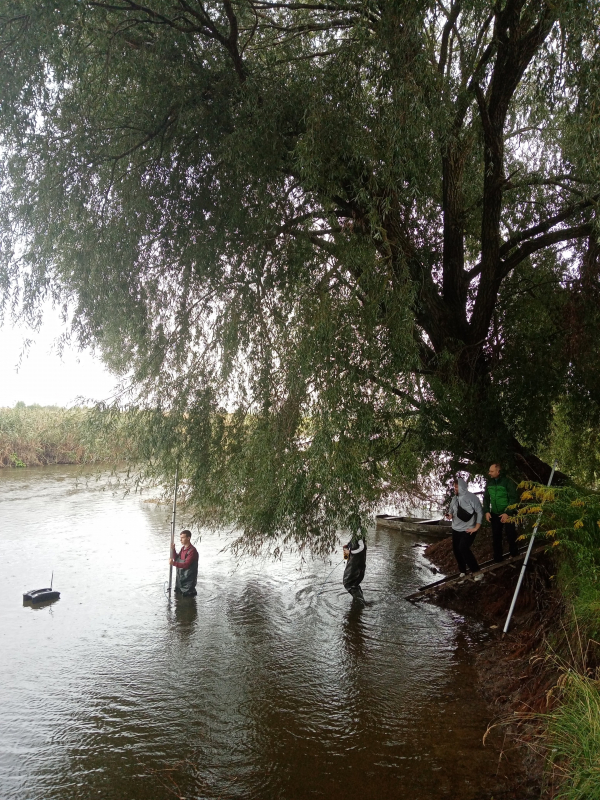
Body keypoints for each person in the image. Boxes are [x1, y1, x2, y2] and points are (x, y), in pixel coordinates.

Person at [448, 477, 483, 580]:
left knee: (463, 548)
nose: (454, 489)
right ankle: (463, 571)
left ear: (462, 487)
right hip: (456, 529)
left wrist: (476, 527)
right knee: (456, 551)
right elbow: (451, 510)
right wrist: (450, 515)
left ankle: (477, 572)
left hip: (468, 529)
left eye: (456, 487)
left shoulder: (472, 498)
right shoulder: (454, 499)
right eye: (454, 487)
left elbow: (480, 512)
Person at [483, 463, 519, 562]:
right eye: (489, 471)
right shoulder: (489, 483)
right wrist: (487, 511)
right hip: (495, 513)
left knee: (510, 534)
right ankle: (498, 558)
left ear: (498, 472)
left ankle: (514, 554)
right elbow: (486, 498)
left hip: (508, 513)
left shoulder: (507, 482)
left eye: (491, 471)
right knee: (496, 536)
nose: (489, 473)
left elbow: (513, 498)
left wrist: (507, 512)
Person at [169, 529, 199, 597]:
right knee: (178, 598)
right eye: (180, 538)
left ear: (188, 538)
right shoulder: (183, 549)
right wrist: (173, 549)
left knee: (187, 599)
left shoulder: (192, 551)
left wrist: (173, 563)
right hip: (180, 581)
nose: (180, 540)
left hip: (188, 583)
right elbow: (177, 559)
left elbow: (186, 565)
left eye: (182, 537)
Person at [342, 536, 367, 601]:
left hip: (356, 567)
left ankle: (360, 601)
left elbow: (361, 548)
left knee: (350, 584)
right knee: (352, 584)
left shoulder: (359, 540)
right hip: (353, 566)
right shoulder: (354, 539)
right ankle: (358, 601)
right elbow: (346, 557)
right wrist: (346, 550)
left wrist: (351, 552)